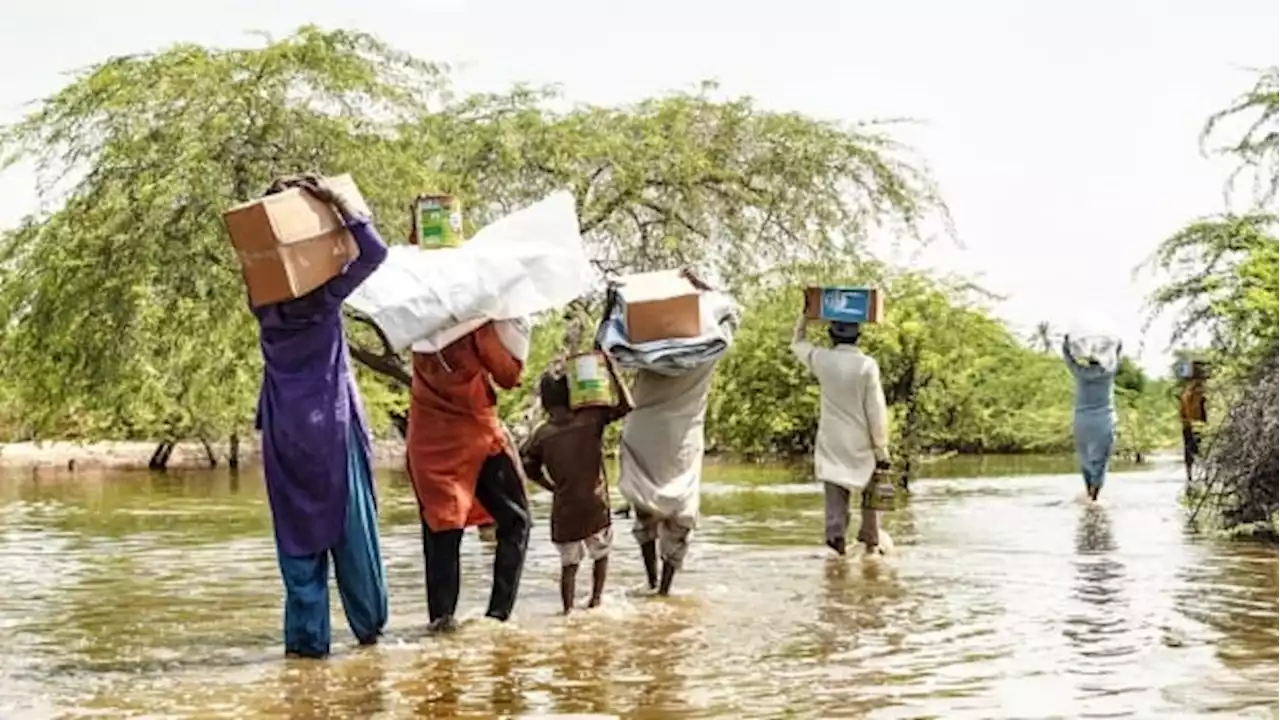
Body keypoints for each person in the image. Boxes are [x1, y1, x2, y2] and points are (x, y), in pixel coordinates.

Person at [252, 175, 389, 659]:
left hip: (283, 430)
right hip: (329, 424)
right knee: (352, 530)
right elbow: (374, 252)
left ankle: (307, 658)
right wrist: (342, 205)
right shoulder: (321, 296)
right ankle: (369, 634)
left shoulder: (262, 297)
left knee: (296, 536)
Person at [406, 317, 532, 633]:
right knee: (516, 521)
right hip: (473, 435)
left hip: (427, 438)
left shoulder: (418, 329)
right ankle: (498, 617)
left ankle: (441, 623)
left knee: (441, 530)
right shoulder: (474, 325)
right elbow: (509, 375)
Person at [520, 354, 635, 614]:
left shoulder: (542, 434)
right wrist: (612, 370)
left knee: (569, 566)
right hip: (595, 505)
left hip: (565, 510)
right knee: (601, 555)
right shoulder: (590, 420)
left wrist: (551, 487)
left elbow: (526, 464)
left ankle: (567, 611)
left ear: (546, 402)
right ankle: (596, 601)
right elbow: (627, 405)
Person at [790, 313, 893, 556]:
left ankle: (836, 546)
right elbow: (875, 409)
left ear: (831, 335)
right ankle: (871, 542)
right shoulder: (867, 365)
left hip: (832, 442)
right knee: (873, 495)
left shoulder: (823, 360)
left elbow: (797, 344)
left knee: (835, 502)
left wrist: (804, 319)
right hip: (862, 442)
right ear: (858, 336)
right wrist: (881, 448)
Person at [1062, 334, 1121, 502]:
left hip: (1082, 421)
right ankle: (1094, 497)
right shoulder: (1108, 373)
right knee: (1101, 460)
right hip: (1104, 419)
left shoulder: (1080, 373)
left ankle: (1088, 492)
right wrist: (1117, 345)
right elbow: (1117, 356)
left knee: (1085, 458)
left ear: (1089, 361)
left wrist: (1065, 344)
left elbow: (1069, 360)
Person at [1179, 365, 1208, 484]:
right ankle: (1193, 476)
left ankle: (1195, 476)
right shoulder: (1190, 393)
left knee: (1195, 452)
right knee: (1193, 452)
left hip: (1195, 426)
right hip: (1193, 426)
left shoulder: (1192, 393)